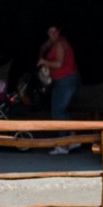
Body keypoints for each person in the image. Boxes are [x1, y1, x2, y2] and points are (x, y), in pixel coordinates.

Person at [37, 25, 82, 155]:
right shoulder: (54, 42)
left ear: (59, 31)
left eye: (55, 31)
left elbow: (59, 63)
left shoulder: (60, 44)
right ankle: (73, 140)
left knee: (58, 111)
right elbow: (42, 48)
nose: (52, 33)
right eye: (50, 31)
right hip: (63, 80)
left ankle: (63, 145)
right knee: (62, 110)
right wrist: (46, 46)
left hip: (66, 80)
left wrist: (44, 61)